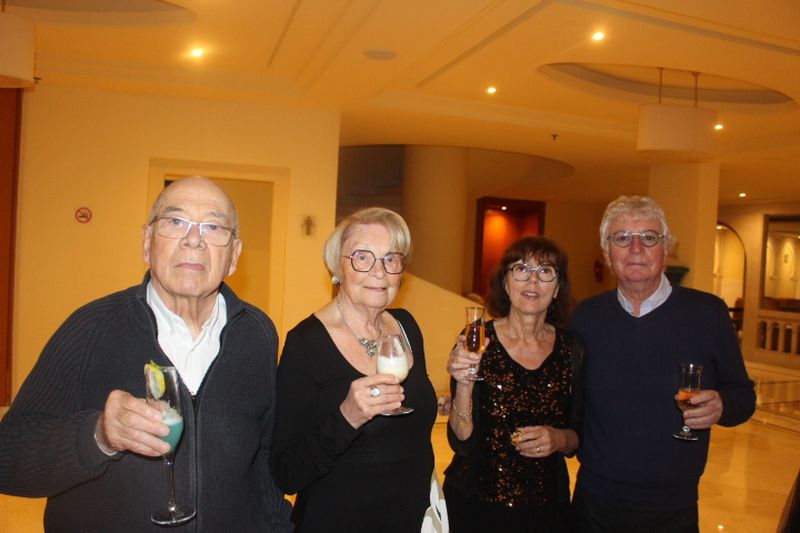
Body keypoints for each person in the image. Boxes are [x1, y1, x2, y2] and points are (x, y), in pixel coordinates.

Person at [0, 176, 292, 531]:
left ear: (234, 256)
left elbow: (262, 458)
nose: (194, 240)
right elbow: (8, 457)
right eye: (175, 221)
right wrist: (97, 435)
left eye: (213, 227)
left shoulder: (257, 333)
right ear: (147, 243)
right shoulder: (90, 328)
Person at [570, 195, 756, 533]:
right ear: (607, 253)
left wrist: (722, 405)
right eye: (622, 238)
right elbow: (566, 399)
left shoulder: (707, 313)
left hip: (672, 508)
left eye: (649, 237)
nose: (636, 248)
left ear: (665, 250)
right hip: (594, 503)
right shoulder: (586, 317)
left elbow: (743, 396)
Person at [270, 207, 437, 532]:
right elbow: (285, 472)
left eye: (391, 259)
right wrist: (347, 417)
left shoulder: (407, 327)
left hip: (411, 518)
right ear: (337, 267)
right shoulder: (306, 342)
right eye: (362, 257)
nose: (379, 272)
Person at [443, 236, 583, 533]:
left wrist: (558, 438)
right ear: (505, 284)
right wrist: (464, 384)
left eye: (545, 271)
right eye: (521, 269)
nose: (533, 280)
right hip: (475, 506)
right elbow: (461, 441)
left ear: (557, 287)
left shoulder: (573, 349)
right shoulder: (477, 339)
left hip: (546, 507)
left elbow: (580, 434)